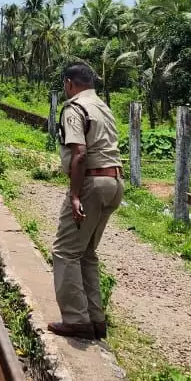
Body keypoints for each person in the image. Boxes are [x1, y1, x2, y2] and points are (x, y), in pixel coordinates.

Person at [48, 62, 124, 340]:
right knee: (87, 253)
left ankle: (76, 320)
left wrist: (75, 194)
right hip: (115, 183)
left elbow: (79, 153)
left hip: (91, 183)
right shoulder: (102, 106)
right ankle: (96, 318)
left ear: (69, 83)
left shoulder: (73, 108)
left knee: (65, 252)